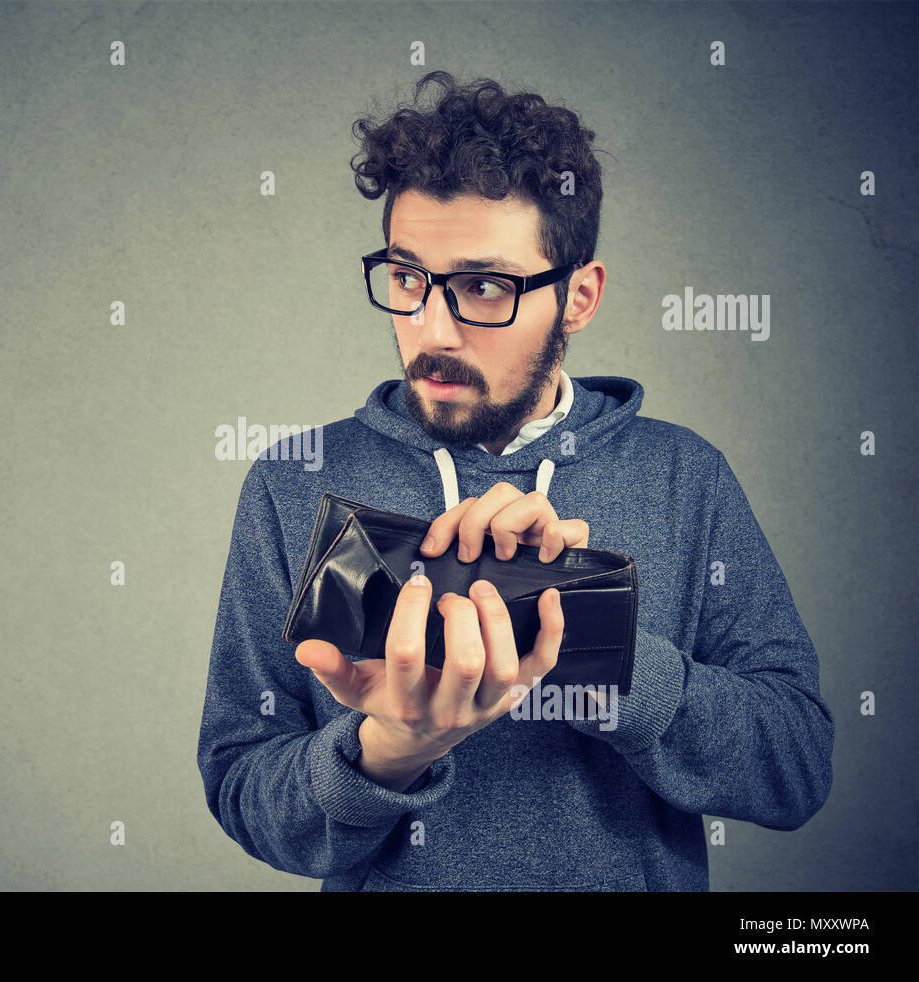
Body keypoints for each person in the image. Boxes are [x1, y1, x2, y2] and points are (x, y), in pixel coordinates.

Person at [196, 71, 833, 891]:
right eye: (405, 277)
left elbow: (795, 766)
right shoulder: (292, 484)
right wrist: (389, 750)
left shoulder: (685, 477)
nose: (432, 329)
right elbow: (243, 788)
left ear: (578, 296)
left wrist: (579, 635)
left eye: (484, 287)